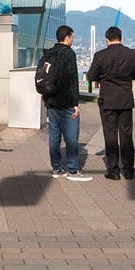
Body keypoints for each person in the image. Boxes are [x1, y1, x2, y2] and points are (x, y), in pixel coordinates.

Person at [85, 26, 135, 180]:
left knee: (110, 134)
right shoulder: (132, 54)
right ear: (121, 37)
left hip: (108, 100)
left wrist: (104, 77)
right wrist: (126, 76)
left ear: (107, 40)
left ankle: (113, 170)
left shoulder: (100, 55)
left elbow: (91, 76)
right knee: (126, 134)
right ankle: (129, 170)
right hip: (125, 99)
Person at [42, 25, 89, 181]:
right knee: (71, 136)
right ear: (67, 37)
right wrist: (75, 103)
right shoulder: (69, 53)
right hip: (66, 102)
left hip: (51, 102)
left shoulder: (49, 52)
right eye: (72, 37)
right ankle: (73, 169)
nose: (73, 40)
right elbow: (73, 79)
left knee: (54, 136)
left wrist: (46, 100)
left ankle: (56, 168)